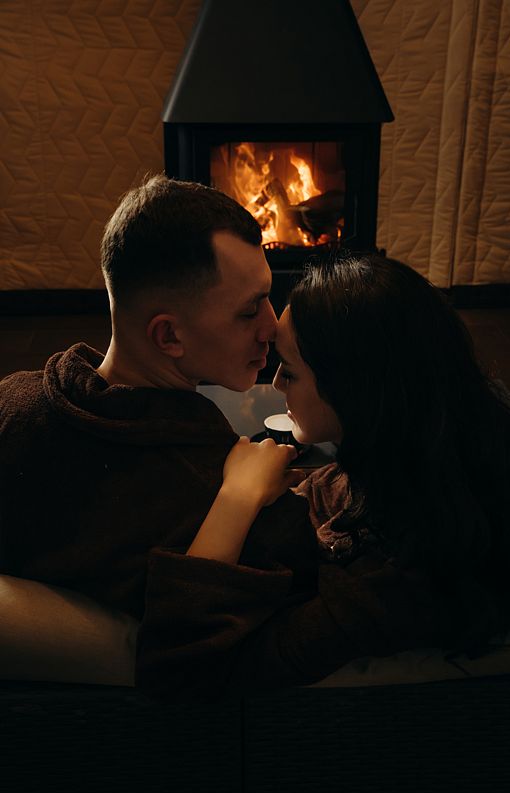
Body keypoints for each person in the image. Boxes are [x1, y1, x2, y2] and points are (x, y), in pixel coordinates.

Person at [136, 253, 510, 697]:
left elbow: (178, 666)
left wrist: (238, 495)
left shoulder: (393, 581)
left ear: (356, 390)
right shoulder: (447, 446)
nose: (276, 384)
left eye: (290, 371)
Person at [0, 174, 315, 645]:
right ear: (168, 335)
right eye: (249, 311)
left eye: (269, 296)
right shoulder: (223, 500)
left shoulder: (10, 404)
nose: (272, 326)